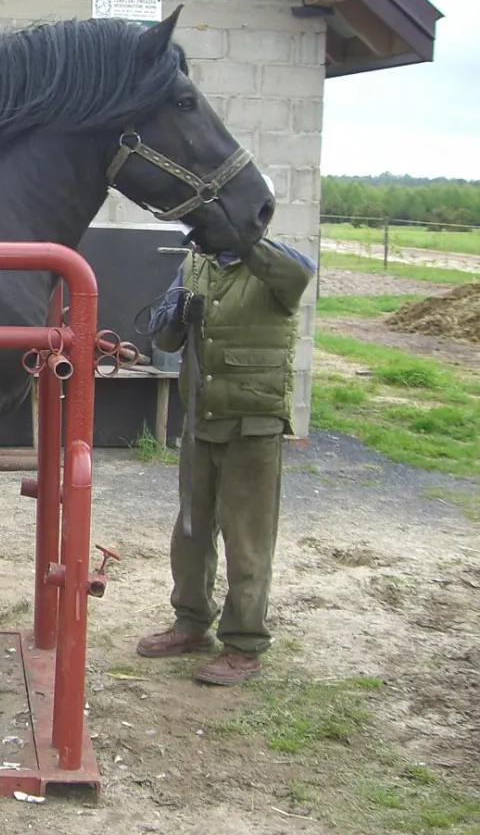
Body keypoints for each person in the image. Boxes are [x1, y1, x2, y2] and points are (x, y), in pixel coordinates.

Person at [136, 232, 316, 685]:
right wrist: (178, 315)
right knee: (191, 530)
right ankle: (191, 624)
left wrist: (243, 233)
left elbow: (300, 274)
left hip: (253, 426)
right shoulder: (195, 266)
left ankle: (245, 643)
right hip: (201, 420)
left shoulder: (276, 266)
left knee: (247, 540)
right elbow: (164, 337)